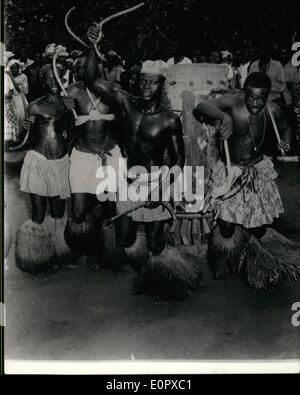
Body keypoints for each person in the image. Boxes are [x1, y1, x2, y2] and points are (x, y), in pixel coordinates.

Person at [85, 26, 185, 258]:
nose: (146, 87)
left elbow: (179, 159)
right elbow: (91, 79)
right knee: (124, 240)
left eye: (153, 83)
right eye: (142, 82)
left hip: (156, 181)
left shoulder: (169, 119)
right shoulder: (124, 102)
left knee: (154, 243)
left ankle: (160, 265)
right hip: (129, 179)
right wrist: (93, 45)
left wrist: (161, 189)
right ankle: (140, 252)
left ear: (162, 84)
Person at [194, 72, 291, 278]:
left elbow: (286, 129)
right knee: (227, 228)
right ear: (244, 93)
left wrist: (286, 141)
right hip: (230, 170)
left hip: (256, 170)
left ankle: (253, 254)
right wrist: (224, 116)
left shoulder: (273, 111)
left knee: (256, 226)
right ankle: (228, 255)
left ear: (268, 97)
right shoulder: (233, 103)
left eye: (260, 99)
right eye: (250, 97)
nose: (254, 103)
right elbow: (202, 106)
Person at [63, 54, 122, 270]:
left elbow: (128, 122)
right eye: (79, 67)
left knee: (107, 208)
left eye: (88, 66)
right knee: (79, 212)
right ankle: (86, 248)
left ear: (100, 69)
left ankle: (102, 250)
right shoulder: (72, 91)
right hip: (82, 156)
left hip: (109, 156)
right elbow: (60, 121)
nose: (83, 70)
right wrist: (64, 107)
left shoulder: (113, 90)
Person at [15, 64, 73, 274]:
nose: (53, 82)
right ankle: (34, 258)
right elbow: (25, 137)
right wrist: (24, 128)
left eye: (56, 78)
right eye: (48, 78)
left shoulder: (69, 104)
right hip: (38, 162)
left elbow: (69, 130)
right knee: (39, 214)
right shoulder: (35, 106)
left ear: (61, 79)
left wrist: (68, 110)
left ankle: (59, 251)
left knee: (58, 212)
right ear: (43, 81)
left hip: (59, 163)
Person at [5, 60, 28, 143]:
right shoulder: (6, 77)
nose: (15, 70)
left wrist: (11, 77)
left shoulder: (23, 77)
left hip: (19, 98)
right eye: (13, 68)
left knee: (20, 116)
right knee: (13, 117)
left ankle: (21, 137)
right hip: (11, 99)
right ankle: (14, 137)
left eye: (16, 67)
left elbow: (22, 90)